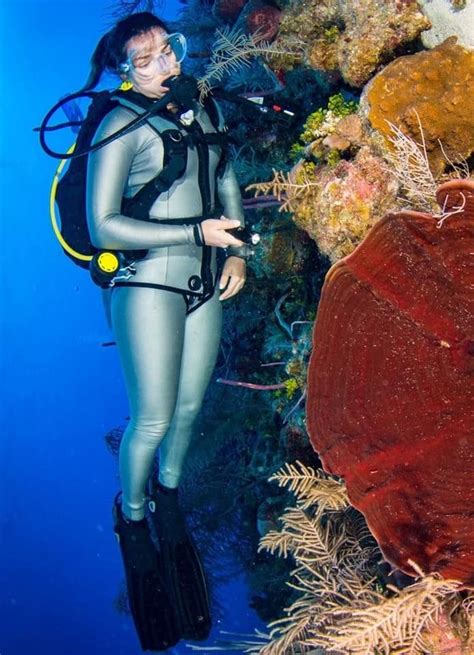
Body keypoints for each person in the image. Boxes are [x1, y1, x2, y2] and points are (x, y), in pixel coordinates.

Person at [83, 11, 248, 651]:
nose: (163, 67)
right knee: (151, 416)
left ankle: (169, 500)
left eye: (168, 51)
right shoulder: (119, 123)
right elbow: (104, 227)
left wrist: (234, 249)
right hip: (146, 282)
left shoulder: (201, 106)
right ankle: (131, 518)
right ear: (124, 71)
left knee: (190, 406)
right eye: (144, 60)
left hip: (208, 275)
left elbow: (224, 175)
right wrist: (193, 234)